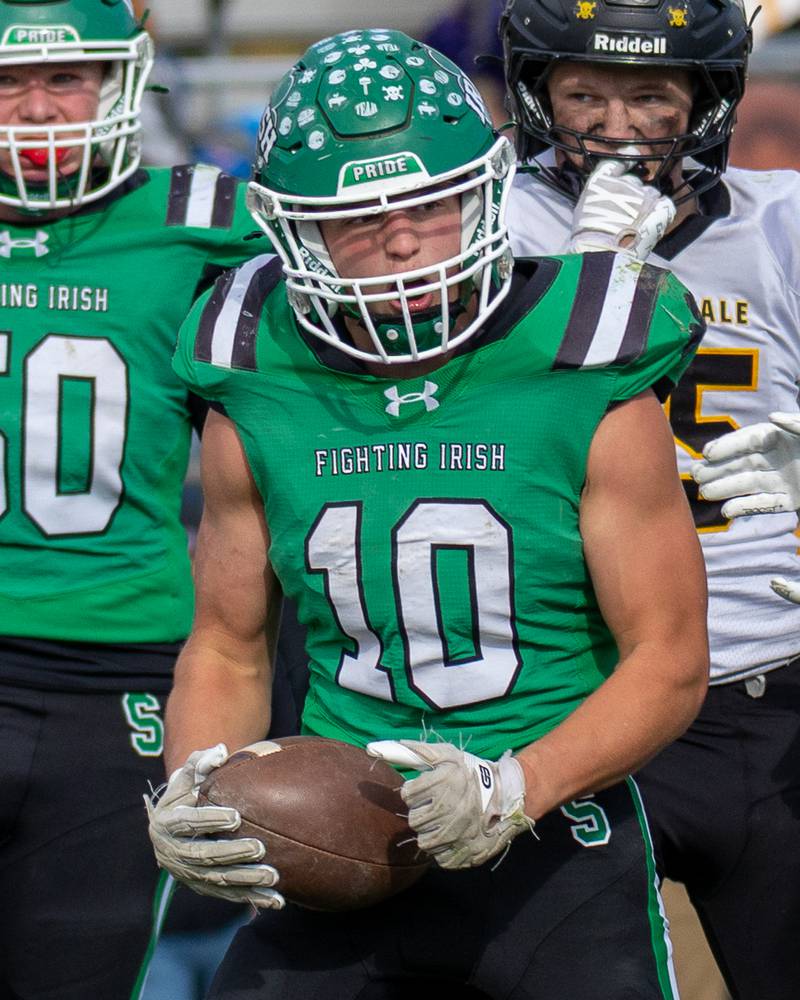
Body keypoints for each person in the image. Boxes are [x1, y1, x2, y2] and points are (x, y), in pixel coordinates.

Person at [146, 29, 709, 1000]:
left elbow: (668, 657)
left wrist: (511, 787)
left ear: (486, 192)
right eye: (356, 217)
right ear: (293, 229)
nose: (401, 238)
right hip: (343, 815)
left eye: (428, 203)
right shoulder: (251, 363)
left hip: (549, 829)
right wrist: (198, 779)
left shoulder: (583, 353)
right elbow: (229, 644)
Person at [500, 1, 800, 998]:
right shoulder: (484, 224)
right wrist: (586, 277)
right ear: (538, 91)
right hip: (571, 687)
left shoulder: (779, 225)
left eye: (648, 96)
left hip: (768, 680)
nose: (612, 126)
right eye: (582, 92)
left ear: (705, 102)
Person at [0, 1, 264, 997]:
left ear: (117, 82)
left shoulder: (206, 225)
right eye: (8, 84)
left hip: (116, 675)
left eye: (63, 80)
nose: (35, 110)